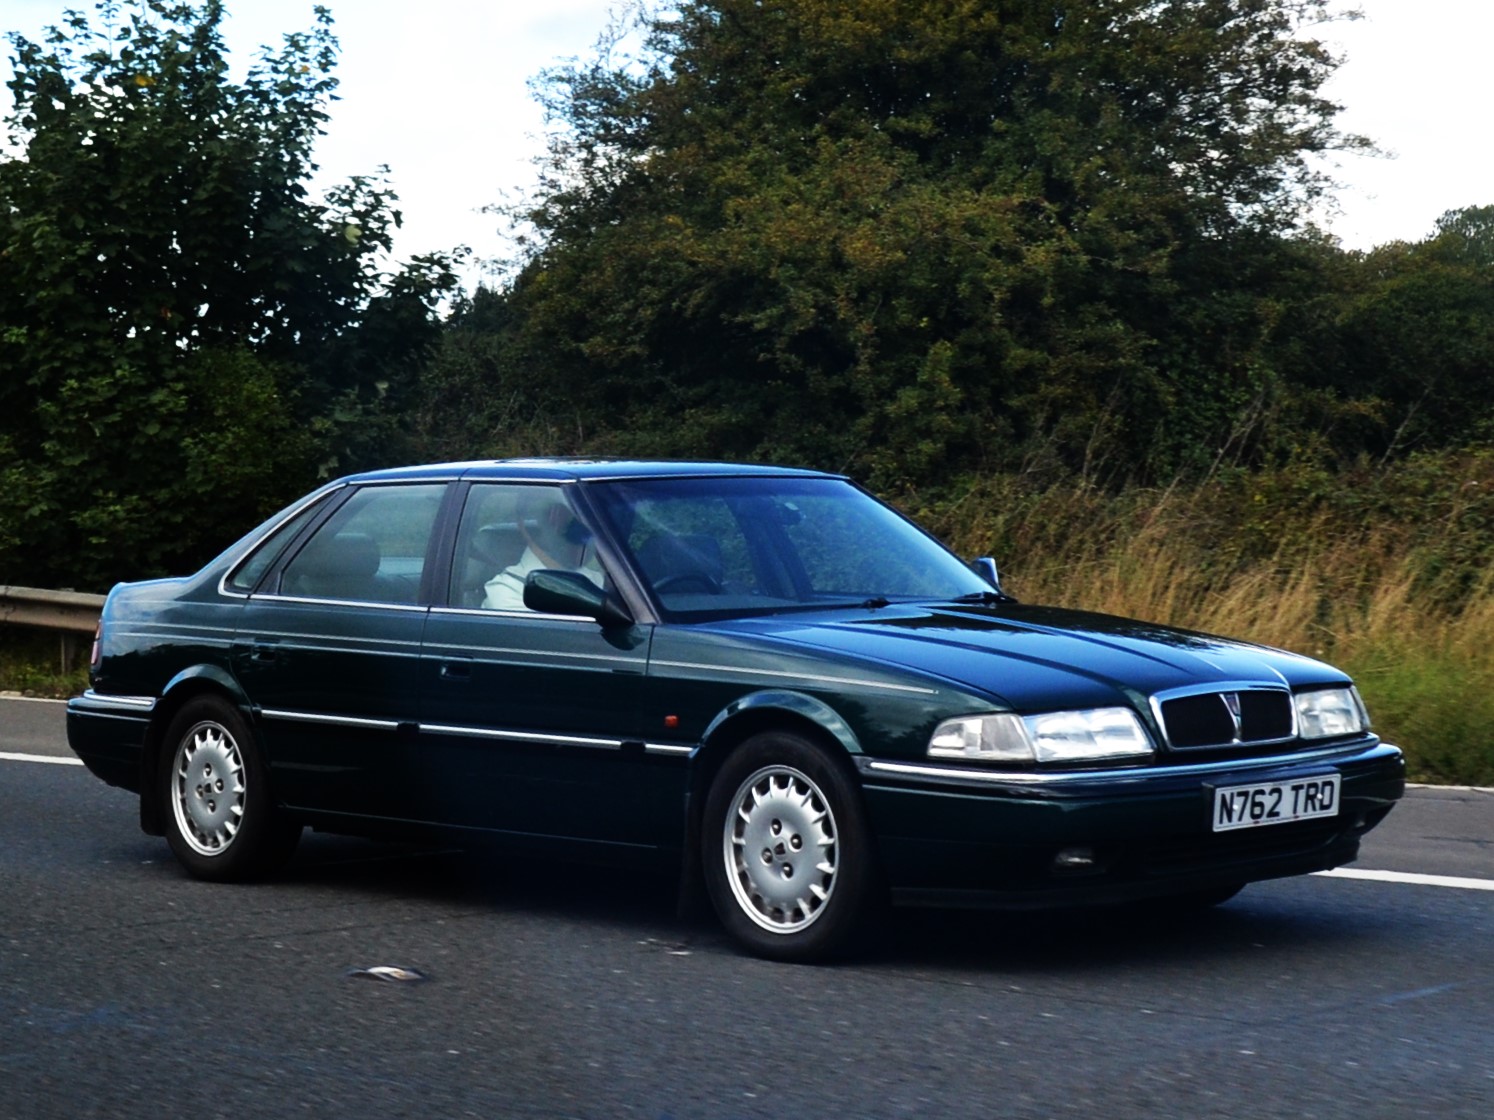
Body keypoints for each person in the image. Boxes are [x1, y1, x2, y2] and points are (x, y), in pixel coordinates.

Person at [482, 489, 605, 610]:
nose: (580, 529)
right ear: (525, 527)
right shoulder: (507, 592)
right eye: (553, 515)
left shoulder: (596, 579)